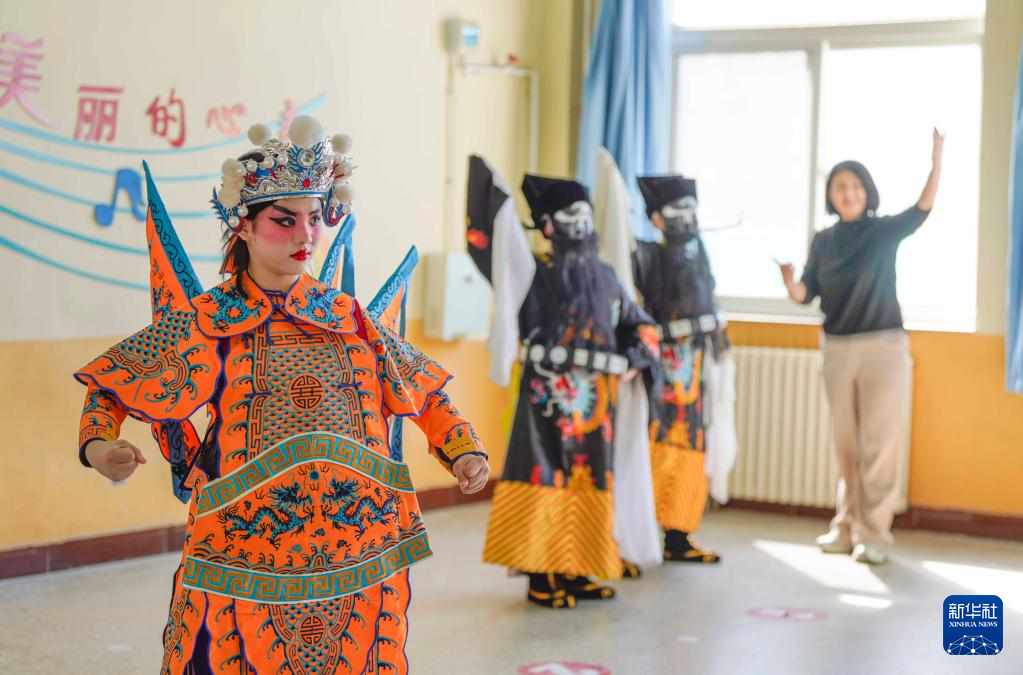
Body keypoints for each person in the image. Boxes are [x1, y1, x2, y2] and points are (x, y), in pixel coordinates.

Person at [75, 116, 490, 674]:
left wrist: (463, 448)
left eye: (315, 218)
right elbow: (111, 386)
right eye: (284, 219)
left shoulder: (349, 316)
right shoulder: (210, 319)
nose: (305, 236)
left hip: (356, 550)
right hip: (243, 554)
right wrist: (99, 446)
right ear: (243, 226)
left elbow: (421, 387)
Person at [466, 156, 658, 609]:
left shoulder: (607, 277)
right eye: (570, 214)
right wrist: (489, 196)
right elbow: (488, 249)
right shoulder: (531, 272)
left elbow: (642, 327)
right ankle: (540, 575)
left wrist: (633, 360)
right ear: (548, 226)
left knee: (589, 480)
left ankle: (577, 569)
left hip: (596, 405)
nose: (582, 222)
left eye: (585, 213)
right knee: (543, 477)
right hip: (544, 398)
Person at [777, 128, 944, 565]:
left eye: (854, 185)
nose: (847, 193)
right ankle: (845, 527)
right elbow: (807, 292)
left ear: (866, 191)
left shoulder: (882, 231)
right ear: (831, 196)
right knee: (846, 445)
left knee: (879, 445)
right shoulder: (823, 240)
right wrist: (791, 284)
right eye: (840, 186)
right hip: (836, 347)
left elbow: (922, 210)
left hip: (883, 347)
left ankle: (874, 534)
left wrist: (936, 162)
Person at [634, 175, 736, 564]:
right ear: (657, 218)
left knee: (692, 447)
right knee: (655, 444)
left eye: (692, 210)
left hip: (696, 369)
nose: (687, 219)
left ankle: (679, 534)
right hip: (662, 370)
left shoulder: (698, 251)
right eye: (678, 211)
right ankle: (638, 533)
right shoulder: (646, 255)